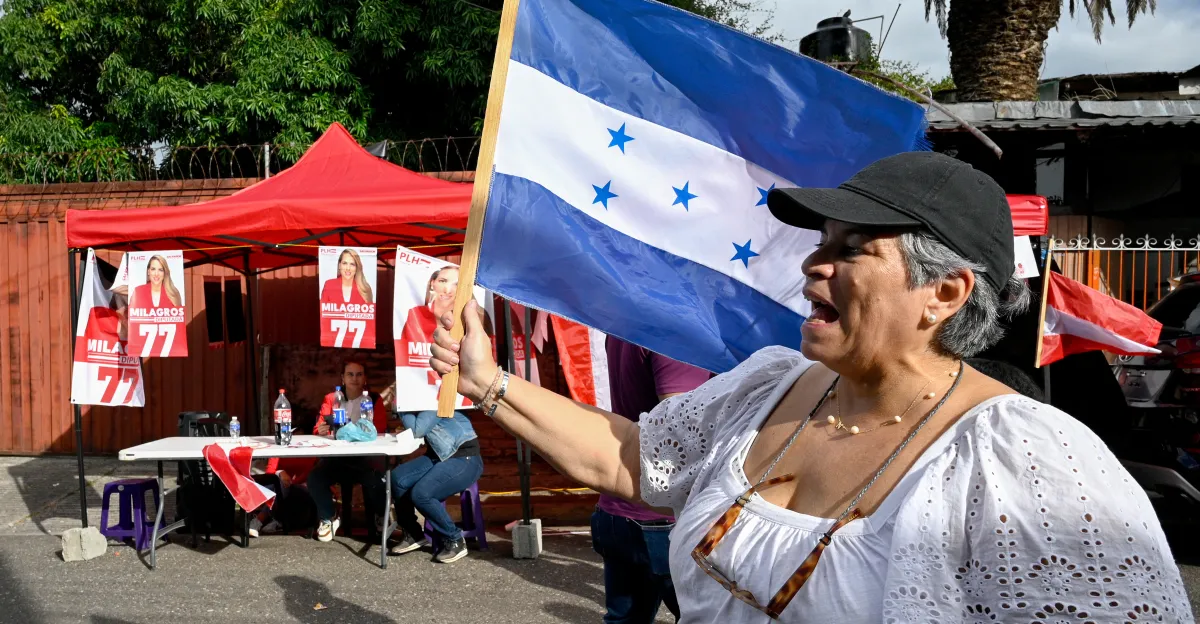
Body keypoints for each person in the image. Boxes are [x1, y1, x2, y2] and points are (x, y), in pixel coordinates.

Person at [429, 152, 1194, 623]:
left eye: (852, 249)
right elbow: (631, 458)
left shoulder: (1028, 463)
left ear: (945, 293)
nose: (812, 265)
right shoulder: (770, 387)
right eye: (821, 242)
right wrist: (488, 382)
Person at [593, 336, 710, 624]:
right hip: (664, 514)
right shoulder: (677, 335)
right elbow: (683, 429)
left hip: (620, 505)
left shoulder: (631, 326)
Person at [305, 359, 390, 541]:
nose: (354, 378)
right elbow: (318, 427)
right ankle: (328, 517)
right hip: (336, 458)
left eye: (359, 374)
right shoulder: (332, 398)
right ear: (342, 378)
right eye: (350, 374)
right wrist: (322, 429)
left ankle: (380, 515)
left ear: (365, 378)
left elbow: (380, 429)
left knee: (378, 480)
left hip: (364, 459)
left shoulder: (374, 399)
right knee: (315, 478)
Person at [386, 409, 483, 563]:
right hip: (438, 456)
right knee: (398, 478)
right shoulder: (418, 402)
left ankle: (455, 539)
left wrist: (401, 408)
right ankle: (413, 534)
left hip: (464, 457)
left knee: (421, 494)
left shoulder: (435, 399)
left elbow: (417, 430)